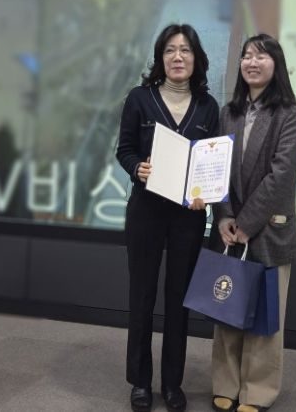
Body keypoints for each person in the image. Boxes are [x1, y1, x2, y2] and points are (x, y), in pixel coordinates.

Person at [116, 23, 219, 412]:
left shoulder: (208, 106)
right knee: (141, 297)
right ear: (160, 58)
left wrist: (206, 194)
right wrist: (136, 167)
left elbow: (212, 163)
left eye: (185, 50)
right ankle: (140, 382)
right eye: (170, 50)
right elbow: (124, 149)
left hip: (187, 218)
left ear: (196, 59)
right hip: (145, 212)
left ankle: (173, 384)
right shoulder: (139, 99)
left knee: (179, 300)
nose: (178, 57)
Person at [210, 34, 296, 412]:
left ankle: (258, 391)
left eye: (261, 56)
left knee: (265, 316)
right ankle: (226, 383)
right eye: (247, 55)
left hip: (268, 229)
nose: (252, 62)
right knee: (227, 306)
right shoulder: (228, 112)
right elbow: (215, 169)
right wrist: (224, 216)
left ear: (275, 64)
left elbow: (281, 176)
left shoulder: (290, 114)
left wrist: (246, 222)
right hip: (229, 230)